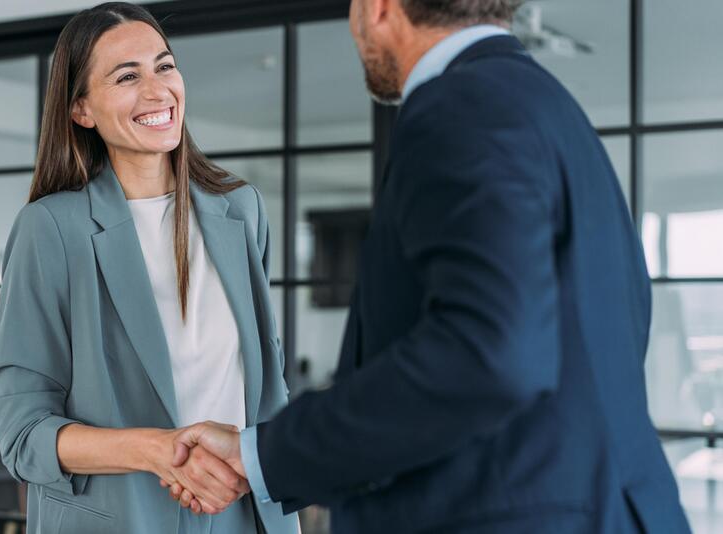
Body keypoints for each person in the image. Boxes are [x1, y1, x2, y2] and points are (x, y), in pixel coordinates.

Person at [169, 0, 692, 532]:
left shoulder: (459, 108)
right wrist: (256, 455)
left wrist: (267, 455)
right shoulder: (553, 109)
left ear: (378, 8)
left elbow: (490, 354)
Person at [0, 3, 299, 533]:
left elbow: (269, 387)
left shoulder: (241, 210)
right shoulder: (52, 229)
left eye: (165, 66)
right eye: (127, 76)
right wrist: (159, 450)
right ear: (81, 109)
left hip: (245, 515)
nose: (157, 90)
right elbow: (23, 433)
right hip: (122, 518)